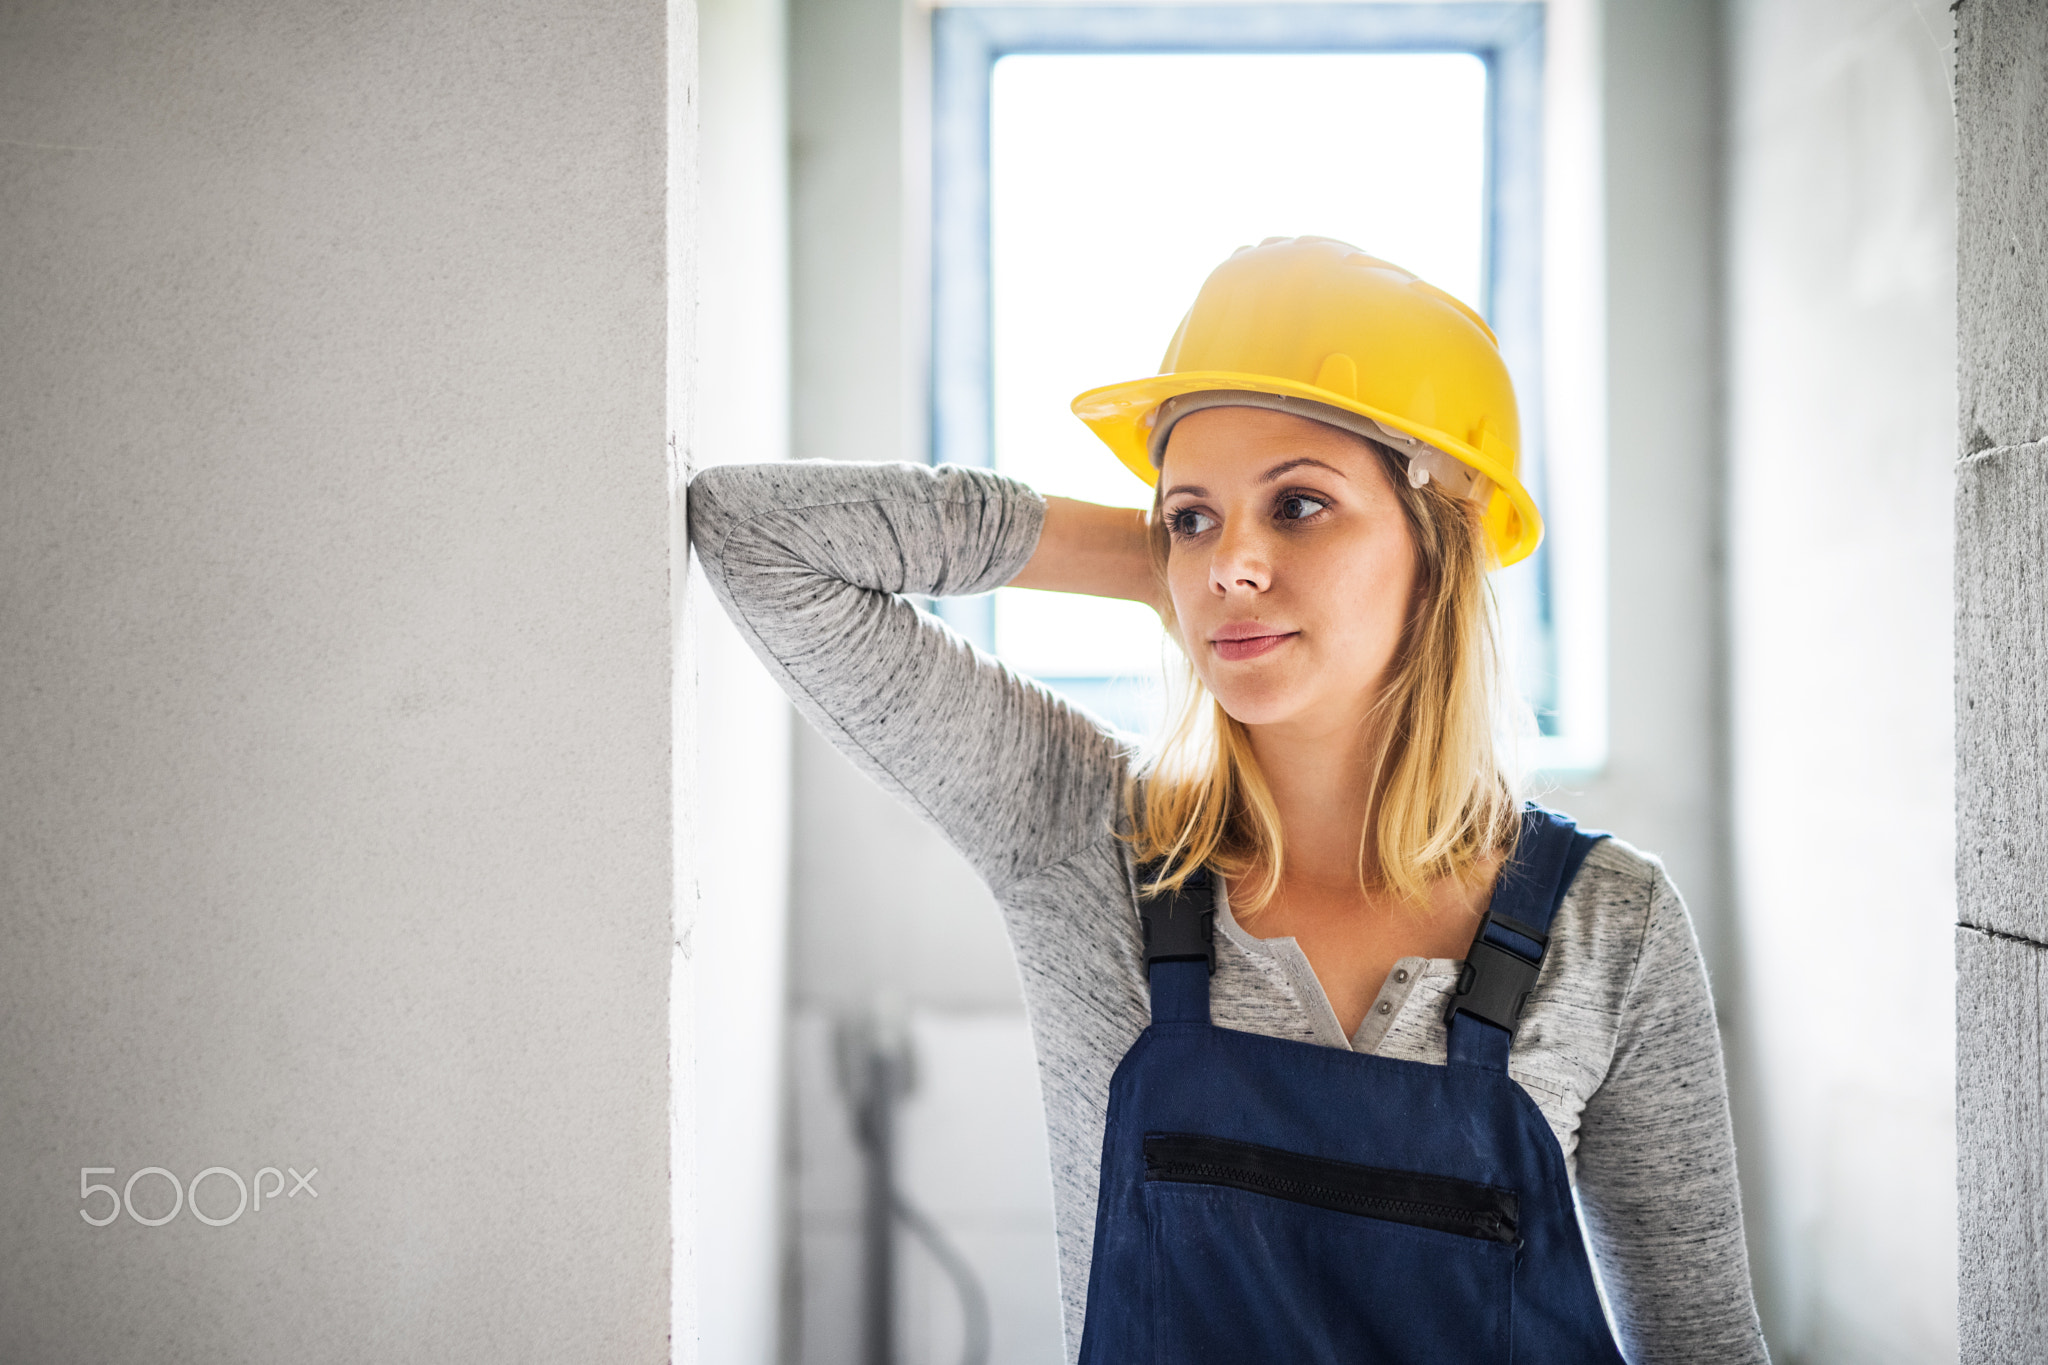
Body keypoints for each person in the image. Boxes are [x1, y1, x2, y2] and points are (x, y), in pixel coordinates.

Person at [690, 235, 1768, 1362]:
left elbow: (1703, 1347)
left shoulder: (1609, 929)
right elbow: (754, 535)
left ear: (1439, 542)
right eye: (1190, 515)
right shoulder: (1085, 844)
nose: (1227, 565)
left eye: (1298, 506)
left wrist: (1210, 542)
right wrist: (1149, 555)